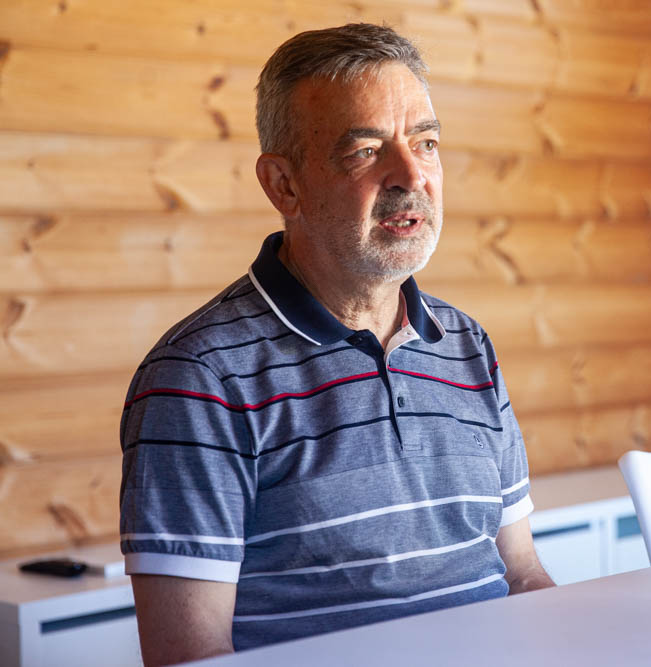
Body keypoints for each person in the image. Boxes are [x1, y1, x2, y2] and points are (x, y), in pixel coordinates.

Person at [119, 23, 554, 666]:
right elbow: (191, 655)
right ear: (284, 185)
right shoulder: (198, 378)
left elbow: (522, 576)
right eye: (366, 151)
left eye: (426, 143)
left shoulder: (467, 345)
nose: (412, 175)